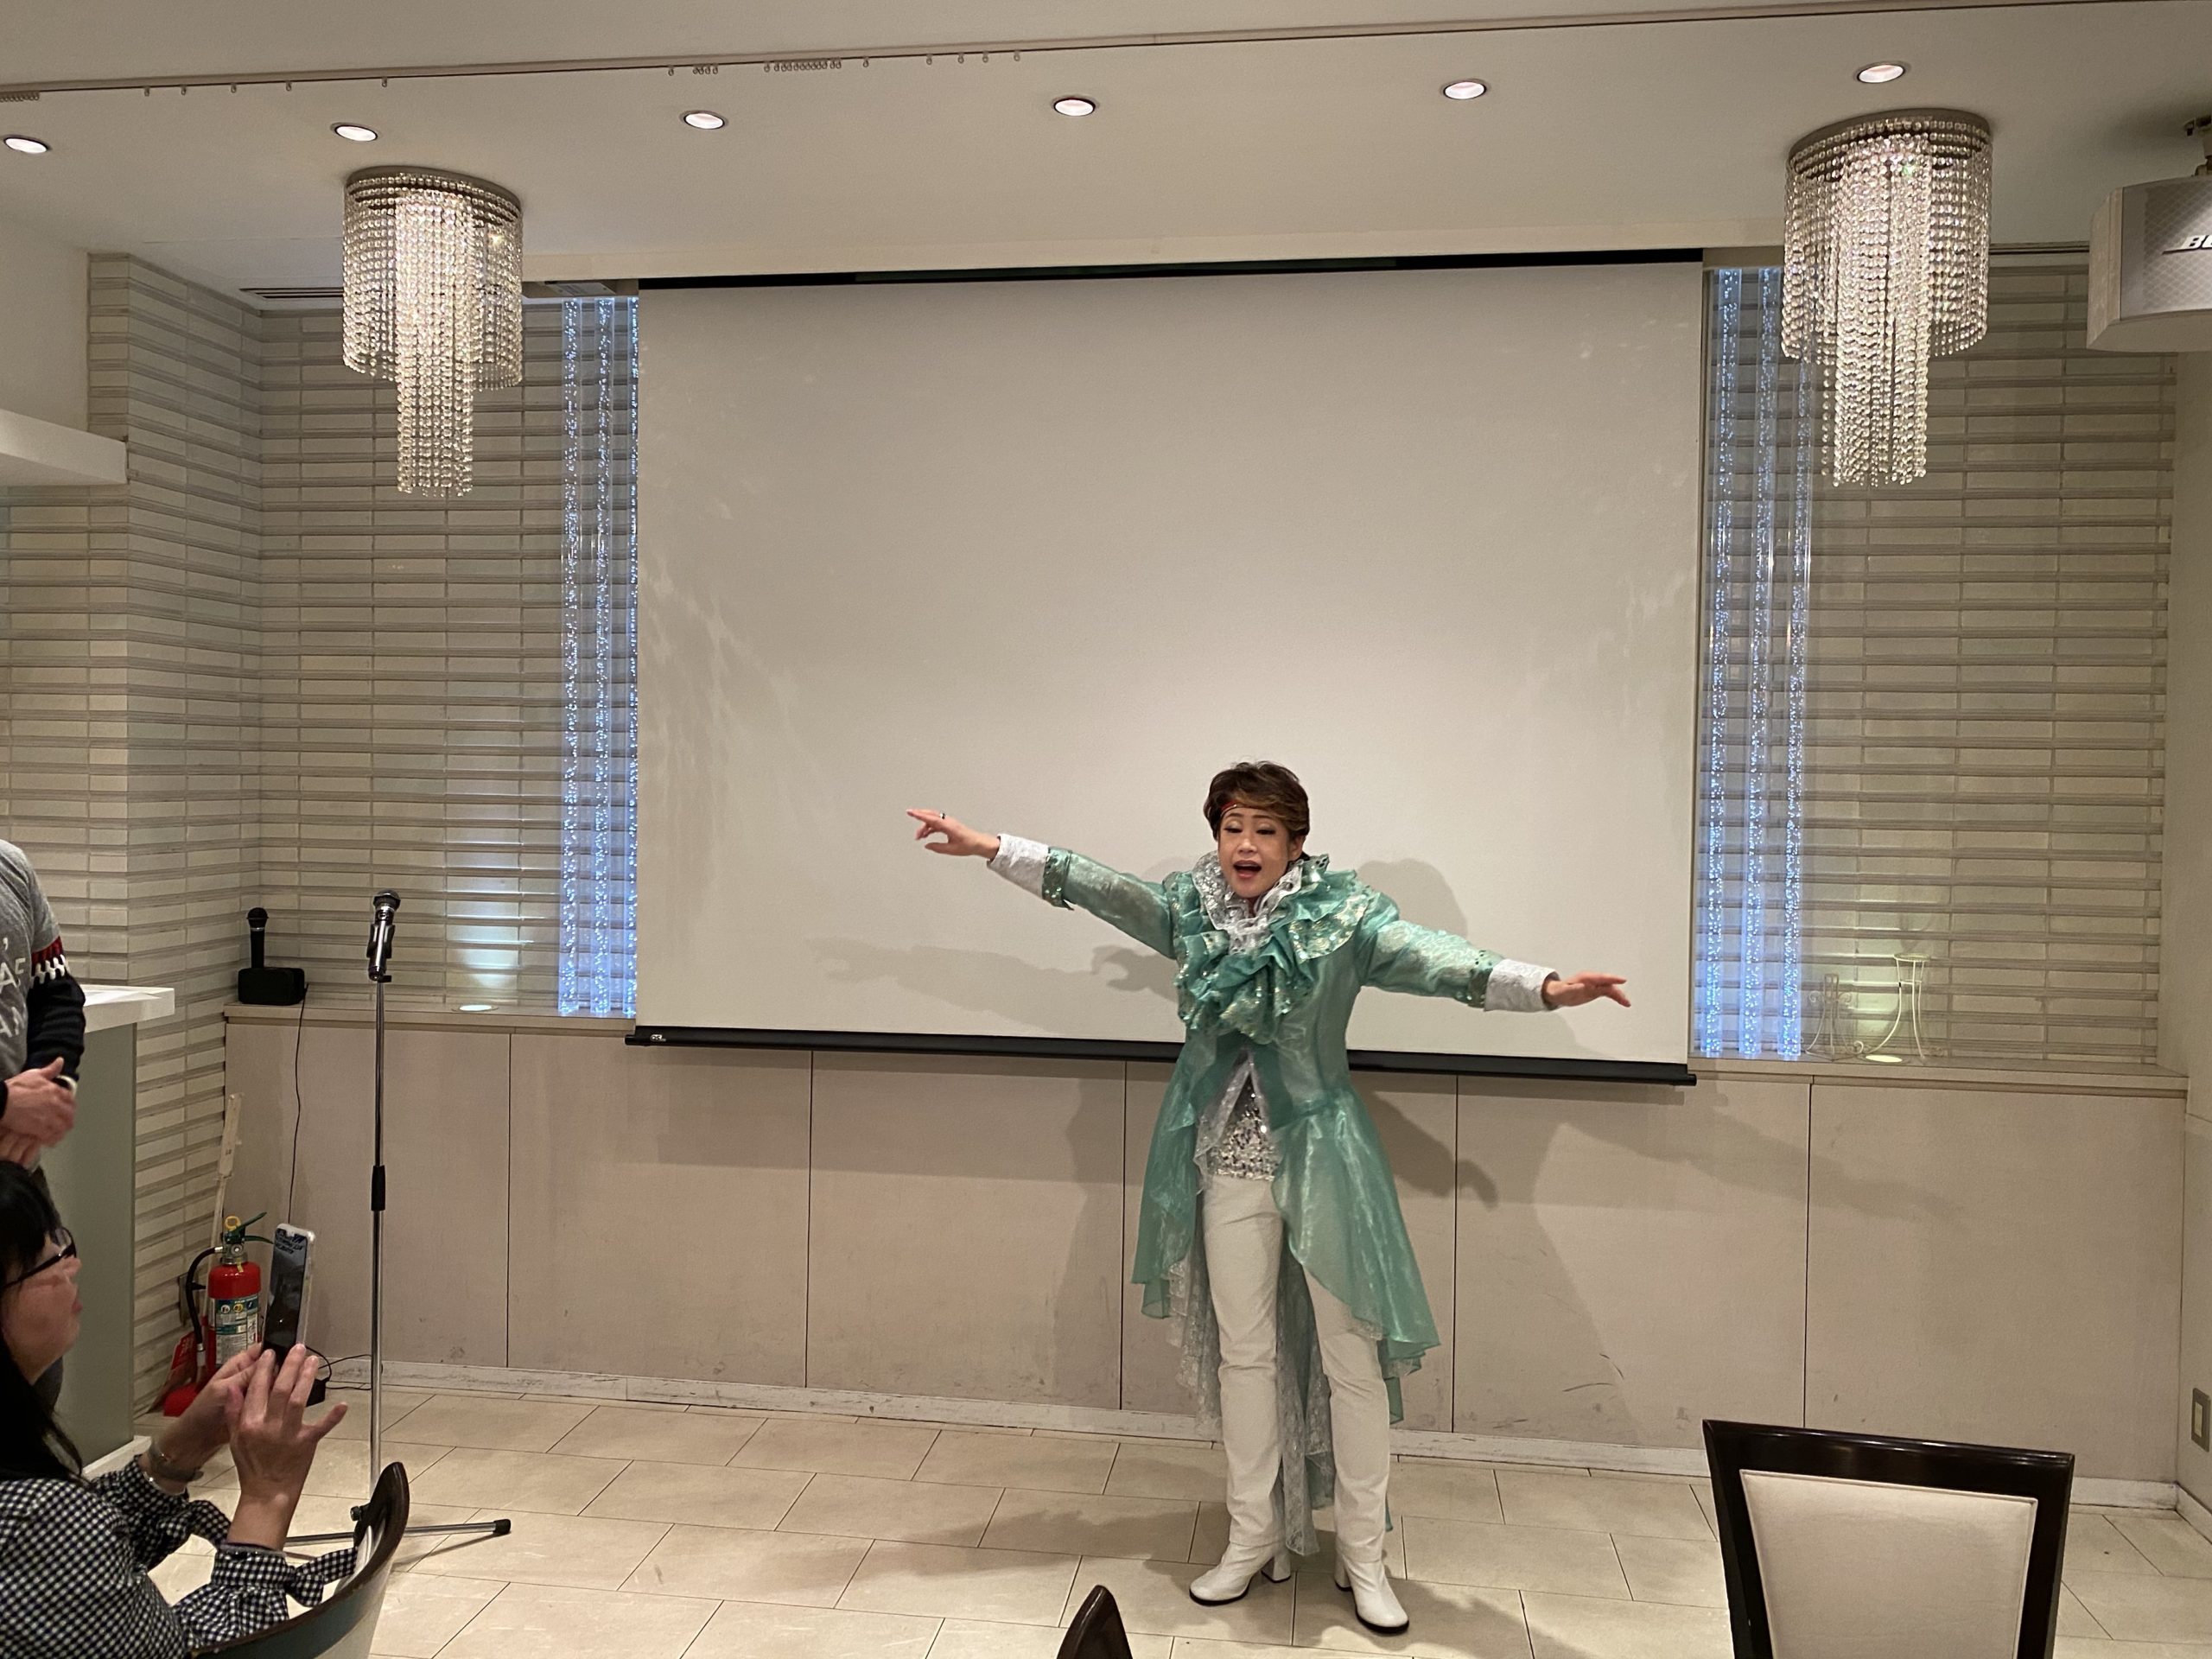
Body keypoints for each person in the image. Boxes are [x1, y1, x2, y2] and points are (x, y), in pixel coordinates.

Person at [912, 762, 1627, 1636]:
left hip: (1324, 1156)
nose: (1244, 845)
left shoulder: (1343, 920)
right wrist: (992, 848)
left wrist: (1547, 987)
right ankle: (1251, 1536)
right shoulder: (1190, 910)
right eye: (1231, 828)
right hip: (1224, 1158)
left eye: (1263, 830)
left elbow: (1443, 963)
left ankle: (1362, 1555)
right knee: (1243, 1354)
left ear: (1295, 843)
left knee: (1351, 1357)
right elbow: (1099, 888)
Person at [0, 1161, 353, 1657]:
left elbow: (74, 1572)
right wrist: (267, 1496)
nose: (71, 1265)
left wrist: (178, 1452)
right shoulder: (36, 1522)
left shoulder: (48, 1524)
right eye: (44, 1257)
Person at [0, 839, 91, 1410]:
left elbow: (56, 993)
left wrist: (51, 1090)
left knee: (39, 1375)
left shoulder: (11, 867)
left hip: (17, 1174)